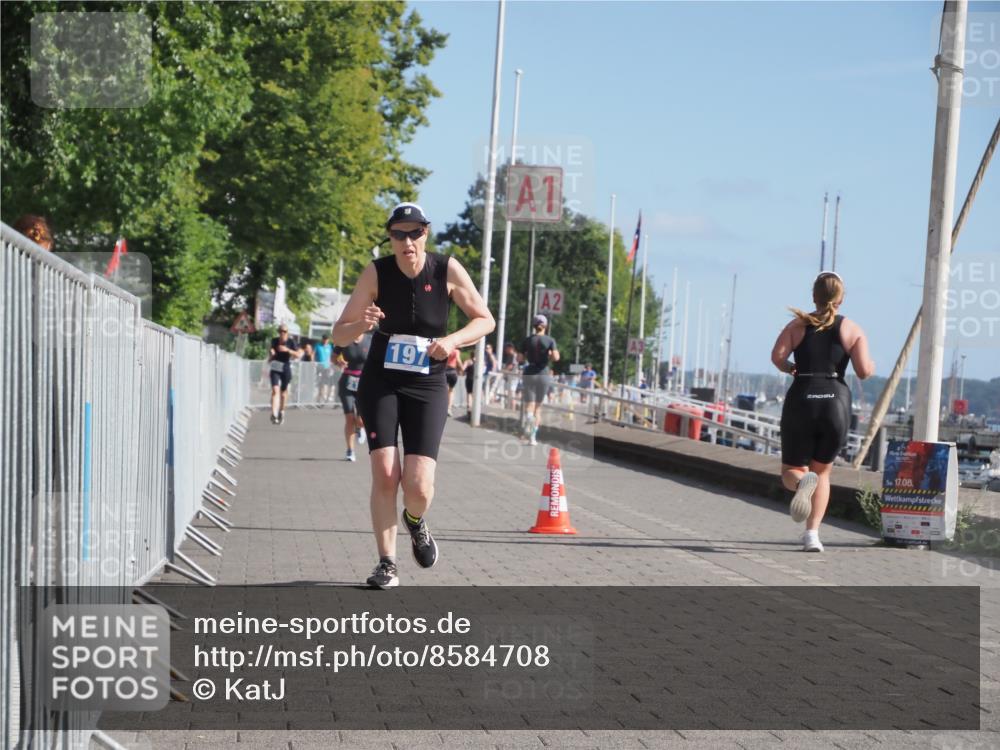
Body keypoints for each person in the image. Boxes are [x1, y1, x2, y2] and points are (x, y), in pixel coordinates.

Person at [332, 202, 494, 589]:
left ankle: (416, 522)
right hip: (381, 381)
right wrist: (360, 323)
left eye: (415, 232)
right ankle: (386, 562)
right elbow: (339, 336)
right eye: (398, 234)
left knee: (418, 485)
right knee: (386, 473)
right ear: (389, 237)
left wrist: (452, 341)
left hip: (428, 382)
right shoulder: (376, 272)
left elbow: (485, 319)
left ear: (426, 233)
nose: (407, 241)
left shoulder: (446, 269)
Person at [771, 271, 874, 552]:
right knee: (824, 473)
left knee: (792, 471)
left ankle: (803, 483)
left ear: (813, 296)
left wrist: (791, 368)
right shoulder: (852, 329)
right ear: (840, 299)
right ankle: (812, 536)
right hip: (835, 402)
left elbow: (777, 357)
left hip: (802, 396)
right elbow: (864, 371)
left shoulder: (796, 326)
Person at [519, 315, 560, 446]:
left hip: (529, 373)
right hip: (543, 374)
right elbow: (556, 357)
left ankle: (528, 420)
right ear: (545, 326)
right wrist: (549, 354)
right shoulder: (550, 340)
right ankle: (533, 438)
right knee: (538, 407)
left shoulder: (527, 340)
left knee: (529, 405)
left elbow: (520, 358)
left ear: (533, 326)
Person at [334, 333, 369, 461]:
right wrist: (338, 361)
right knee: (349, 418)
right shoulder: (344, 338)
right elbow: (333, 357)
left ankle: (360, 427)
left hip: (364, 383)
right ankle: (350, 450)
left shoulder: (370, 339)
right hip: (347, 382)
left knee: (360, 420)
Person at [268, 325, 302, 424]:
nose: (282, 333)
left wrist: (288, 350)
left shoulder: (291, 342)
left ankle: (281, 411)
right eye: (280, 331)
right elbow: (271, 352)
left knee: (283, 393)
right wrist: (272, 353)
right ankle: (273, 414)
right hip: (275, 367)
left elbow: (298, 354)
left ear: (287, 332)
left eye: (284, 331)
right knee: (275, 390)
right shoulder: (274, 340)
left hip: (285, 368)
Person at [464, 342, 497, 410]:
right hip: (483, 376)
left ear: (491, 349)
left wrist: (490, 354)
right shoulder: (484, 356)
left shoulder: (492, 355)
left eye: (488, 348)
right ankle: (477, 405)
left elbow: (494, 364)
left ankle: (487, 405)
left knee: (489, 391)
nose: (486, 349)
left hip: (489, 376)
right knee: (481, 391)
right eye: (486, 348)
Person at [314, 334, 335, 404]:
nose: (325, 340)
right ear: (322, 339)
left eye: (326, 339)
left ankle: (323, 398)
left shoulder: (329, 347)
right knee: (319, 383)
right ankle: (318, 398)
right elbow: (313, 354)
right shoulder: (318, 346)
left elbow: (332, 356)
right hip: (319, 367)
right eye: (324, 339)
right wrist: (313, 363)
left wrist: (332, 365)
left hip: (327, 368)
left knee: (325, 383)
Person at [445, 348, 462, 416]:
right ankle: (449, 408)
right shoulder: (456, 351)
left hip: (445, 370)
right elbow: (458, 360)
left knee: (444, 390)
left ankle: (443, 406)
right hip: (452, 371)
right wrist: (462, 368)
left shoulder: (448, 349)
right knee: (451, 390)